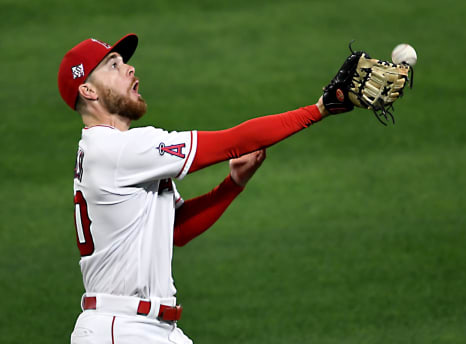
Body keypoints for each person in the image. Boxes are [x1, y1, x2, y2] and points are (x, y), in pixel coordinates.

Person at [58, 33, 349, 344]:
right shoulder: (116, 150)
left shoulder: (113, 151)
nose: (129, 69)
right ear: (88, 90)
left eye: (124, 61)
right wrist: (318, 110)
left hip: (144, 328)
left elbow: (177, 229)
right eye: (112, 65)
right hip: (123, 329)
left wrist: (233, 184)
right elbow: (233, 142)